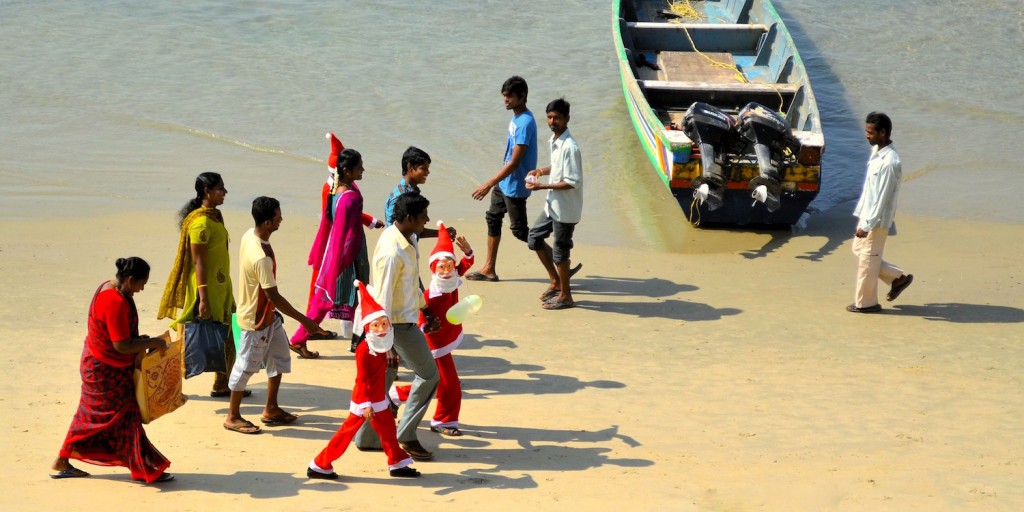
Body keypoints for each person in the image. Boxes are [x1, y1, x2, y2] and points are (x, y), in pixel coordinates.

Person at [52, 257, 174, 483]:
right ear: (129, 280)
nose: (142, 289)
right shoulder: (114, 301)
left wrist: (141, 340)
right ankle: (143, 466)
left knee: (99, 417)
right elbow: (121, 345)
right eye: (141, 284)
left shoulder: (109, 287)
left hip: (102, 362)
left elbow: (119, 336)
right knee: (110, 416)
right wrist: (154, 343)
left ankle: (64, 459)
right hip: (104, 370)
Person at [223, 197, 327, 434]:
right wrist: (306, 320)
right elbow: (274, 296)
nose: (282, 218)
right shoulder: (261, 257)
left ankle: (271, 408)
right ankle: (232, 416)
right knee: (246, 367)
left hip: (270, 317)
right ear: (268, 222)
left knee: (280, 358)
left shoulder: (250, 234)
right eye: (279, 215)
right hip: (256, 320)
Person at [353, 192, 441, 461]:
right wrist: (386, 344)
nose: (426, 221)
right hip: (395, 326)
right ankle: (406, 434)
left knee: (384, 379)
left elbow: (410, 285)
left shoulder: (407, 239)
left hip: (403, 320)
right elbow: (382, 299)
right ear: (407, 218)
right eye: (423, 216)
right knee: (429, 375)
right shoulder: (392, 252)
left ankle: (367, 438)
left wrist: (426, 310)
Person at [307, 280, 419, 479]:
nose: (382, 328)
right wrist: (367, 404)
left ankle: (397, 463)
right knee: (345, 435)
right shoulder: (364, 350)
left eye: (384, 324)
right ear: (369, 328)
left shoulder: (382, 344)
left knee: (388, 433)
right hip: (365, 400)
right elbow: (363, 379)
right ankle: (319, 464)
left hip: (379, 399)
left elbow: (383, 356)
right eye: (377, 325)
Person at [292, 142, 383, 356]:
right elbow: (346, 235)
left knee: (327, 301)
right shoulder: (348, 198)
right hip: (348, 257)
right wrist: (341, 265)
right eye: (359, 167)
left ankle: (299, 339)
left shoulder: (339, 191)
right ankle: (372, 348)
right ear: (346, 170)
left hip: (340, 254)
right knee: (356, 300)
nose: (363, 170)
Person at [158, 172, 240, 398]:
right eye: (220, 188)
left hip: (222, 287)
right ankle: (170, 384)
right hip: (205, 289)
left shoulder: (215, 216)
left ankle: (222, 383)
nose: (225, 192)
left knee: (228, 333)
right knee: (192, 337)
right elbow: (198, 261)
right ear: (207, 192)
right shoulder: (200, 223)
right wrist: (203, 298)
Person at [467, 76, 538, 282]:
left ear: (522, 97)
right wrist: (497, 182)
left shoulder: (525, 122)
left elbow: (515, 162)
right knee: (493, 218)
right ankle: (489, 268)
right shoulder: (516, 118)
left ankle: (558, 260)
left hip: (515, 185)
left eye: (510, 96)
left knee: (519, 231)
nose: (505, 100)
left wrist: (488, 184)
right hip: (505, 181)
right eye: (504, 96)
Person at [848, 111, 914, 313]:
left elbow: (882, 198)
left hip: (876, 220)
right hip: (867, 214)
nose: (867, 135)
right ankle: (897, 278)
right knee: (860, 251)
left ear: (883, 132)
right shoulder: (877, 151)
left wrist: (867, 225)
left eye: (870, 132)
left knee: (868, 260)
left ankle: (866, 304)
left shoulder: (890, 163)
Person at [527, 98, 584, 310]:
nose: (553, 121)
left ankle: (566, 296)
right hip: (552, 205)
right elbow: (558, 167)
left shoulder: (570, 146)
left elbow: (572, 181)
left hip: (566, 210)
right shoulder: (555, 141)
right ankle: (556, 280)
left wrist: (543, 186)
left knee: (560, 252)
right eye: (550, 117)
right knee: (534, 238)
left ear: (567, 119)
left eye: (557, 118)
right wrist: (541, 171)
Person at [421, 221, 474, 436]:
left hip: (446, 339)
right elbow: (420, 319)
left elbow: (465, 266)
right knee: (446, 385)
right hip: (433, 344)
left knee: (437, 383)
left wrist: (468, 251)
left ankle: (394, 398)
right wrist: (427, 326)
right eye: (441, 267)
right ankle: (444, 420)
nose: (446, 271)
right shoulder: (429, 294)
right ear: (433, 268)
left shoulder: (452, 279)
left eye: (449, 266)